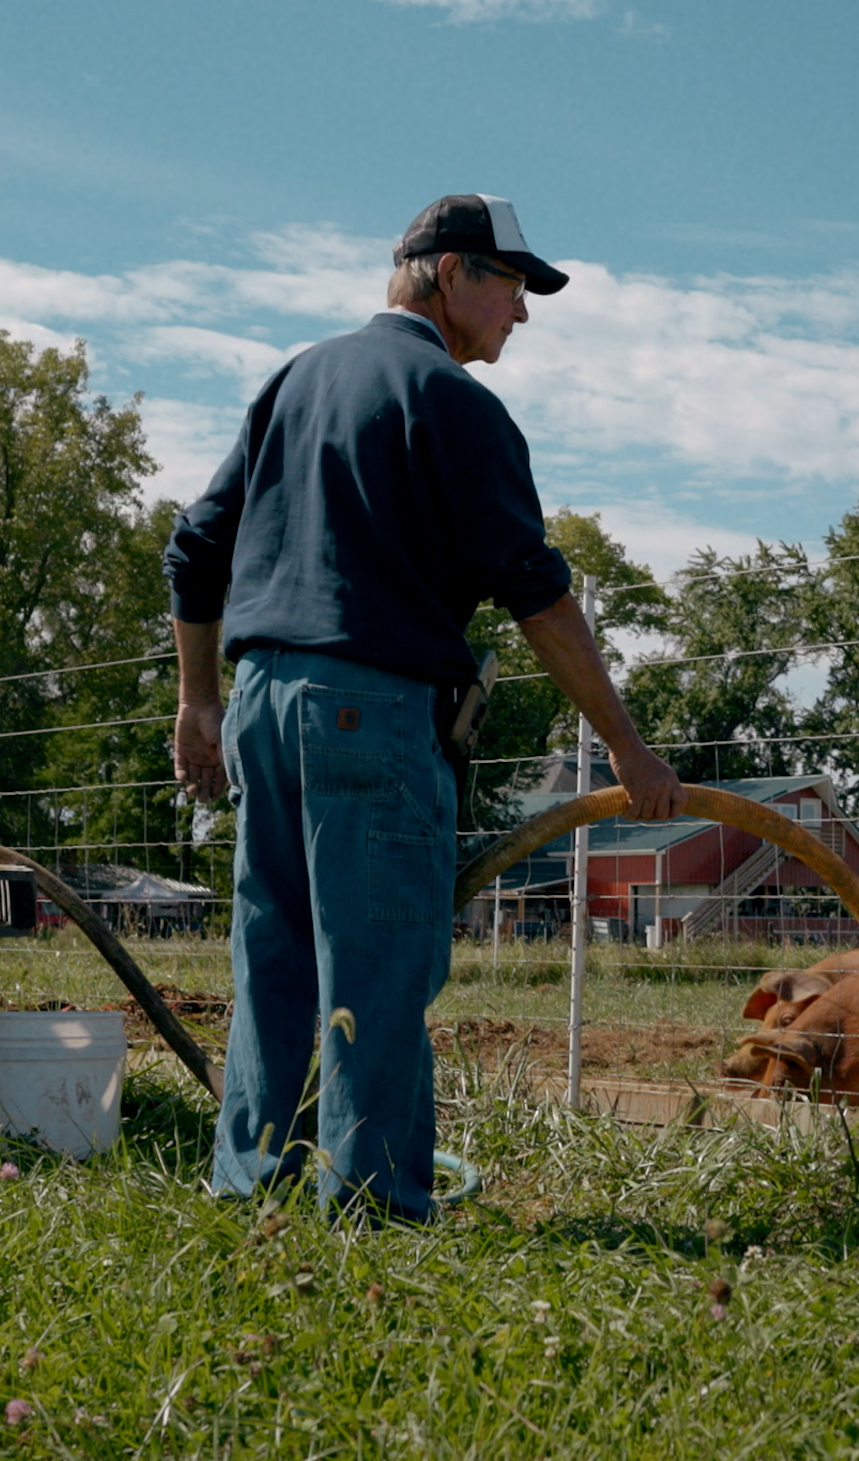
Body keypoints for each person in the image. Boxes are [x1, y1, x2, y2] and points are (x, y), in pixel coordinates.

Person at [163, 194, 681, 1223]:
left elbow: (195, 547)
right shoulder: (453, 403)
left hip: (262, 703)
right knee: (380, 966)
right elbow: (537, 595)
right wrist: (628, 748)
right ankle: (372, 1211)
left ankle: (252, 1191)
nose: (522, 314)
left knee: (274, 954)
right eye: (514, 287)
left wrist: (197, 702)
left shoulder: (296, 379)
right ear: (450, 275)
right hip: (370, 706)